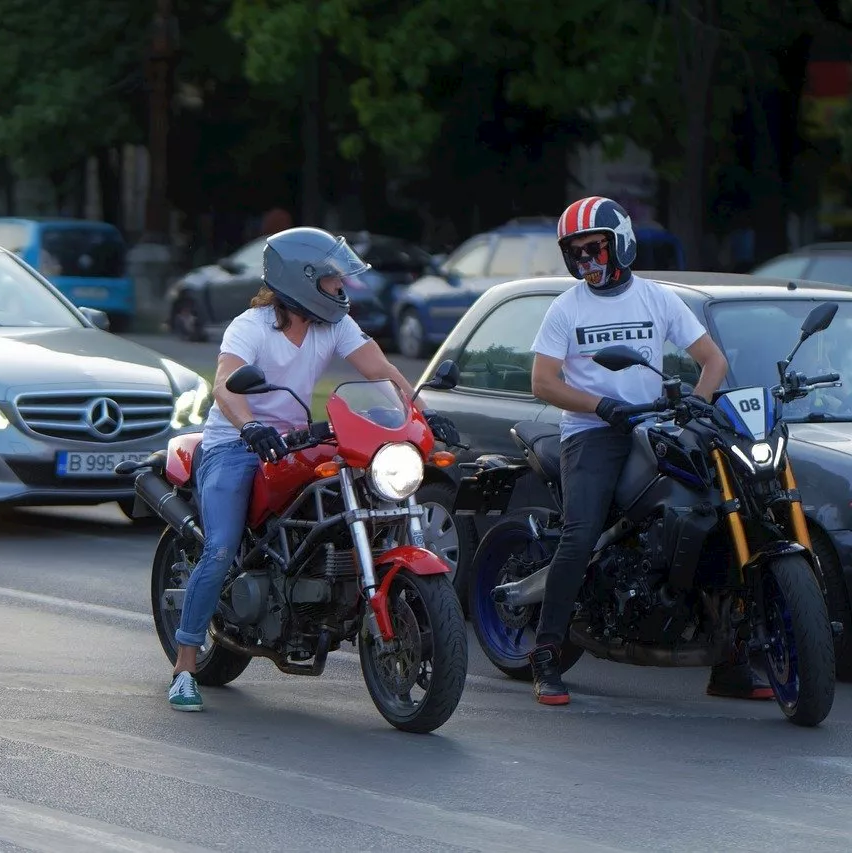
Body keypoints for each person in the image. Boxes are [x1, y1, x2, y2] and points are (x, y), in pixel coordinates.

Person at [167, 226, 461, 712]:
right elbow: (224, 385)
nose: (341, 289)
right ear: (302, 280)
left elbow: (381, 372)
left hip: (302, 441)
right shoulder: (250, 326)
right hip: (237, 444)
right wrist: (249, 427)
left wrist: (421, 412)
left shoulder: (334, 325)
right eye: (331, 281)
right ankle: (183, 665)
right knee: (219, 548)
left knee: (367, 489)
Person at [527, 195, 773, 706]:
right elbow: (543, 383)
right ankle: (547, 654)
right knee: (580, 532)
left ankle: (729, 661)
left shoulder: (657, 299)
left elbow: (713, 361)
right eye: (576, 253)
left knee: (714, 519)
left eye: (594, 249)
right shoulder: (565, 307)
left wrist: (698, 411)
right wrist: (600, 405)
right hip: (591, 433)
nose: (586, 262)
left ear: (620, 244)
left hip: (656, 428)